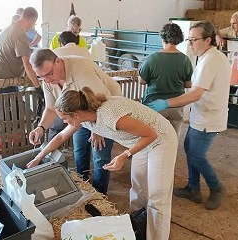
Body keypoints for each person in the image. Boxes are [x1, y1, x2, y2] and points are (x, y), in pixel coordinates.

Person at [27, 87, 177, 240]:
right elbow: (60, 137)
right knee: (139, 188)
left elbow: (151, 134)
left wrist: (125, 155)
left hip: (160, 139)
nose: (65, 122)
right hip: (140, 140)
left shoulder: (110, 115)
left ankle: (157, 236)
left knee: (157, 196)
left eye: (65, 119)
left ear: (76, 114)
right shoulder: (84, 118)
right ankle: (137, 227)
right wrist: (38, 157)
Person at [147, 21, 230, 210]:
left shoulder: (211, 60)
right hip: (201, 113)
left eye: (194, 40)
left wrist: (166, 103)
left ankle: (216, 187)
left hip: (209, 117)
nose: (190, 44)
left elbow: (195, 93)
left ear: (208, 40)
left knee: (197, 154)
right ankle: (193, 188)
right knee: (189, 148)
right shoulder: (208, 57)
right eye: (189, 39)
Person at [28, 49, 122, 194]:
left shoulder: (82, 72)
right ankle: (83, 188)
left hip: (105, 111)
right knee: (79, 152)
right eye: (41, 77)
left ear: (58, 61)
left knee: (99, 156)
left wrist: (98, 130)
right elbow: (51, 108)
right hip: (80, 114)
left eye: (49, 74)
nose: (46, 80)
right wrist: (41, 128)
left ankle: (100, 195)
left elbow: (104, 101)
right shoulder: (48, 80)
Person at [139, 22, 193, 136]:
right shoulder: (185, 60)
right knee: (172, 138)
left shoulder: (151, 59)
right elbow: (188, 84)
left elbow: (142, 81)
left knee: (153, 137)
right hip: (177, 106)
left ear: (162, 37)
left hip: (154, 105)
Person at [47, 31, 93, 141]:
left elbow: (50, 108)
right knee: (92, 145)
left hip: (74, 106)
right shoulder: (86, 52)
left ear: (59, 43)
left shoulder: (55, 54)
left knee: (57, 129)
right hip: (86, 106)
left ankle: (51, 155)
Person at [0, 7, 42, 94]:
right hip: (6, 82)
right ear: (33, 21)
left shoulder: (7, 29)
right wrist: (38, 87)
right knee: (7, 107)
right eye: (35, 24)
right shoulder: (20, 35)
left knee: (3, 106)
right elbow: (27, 64)